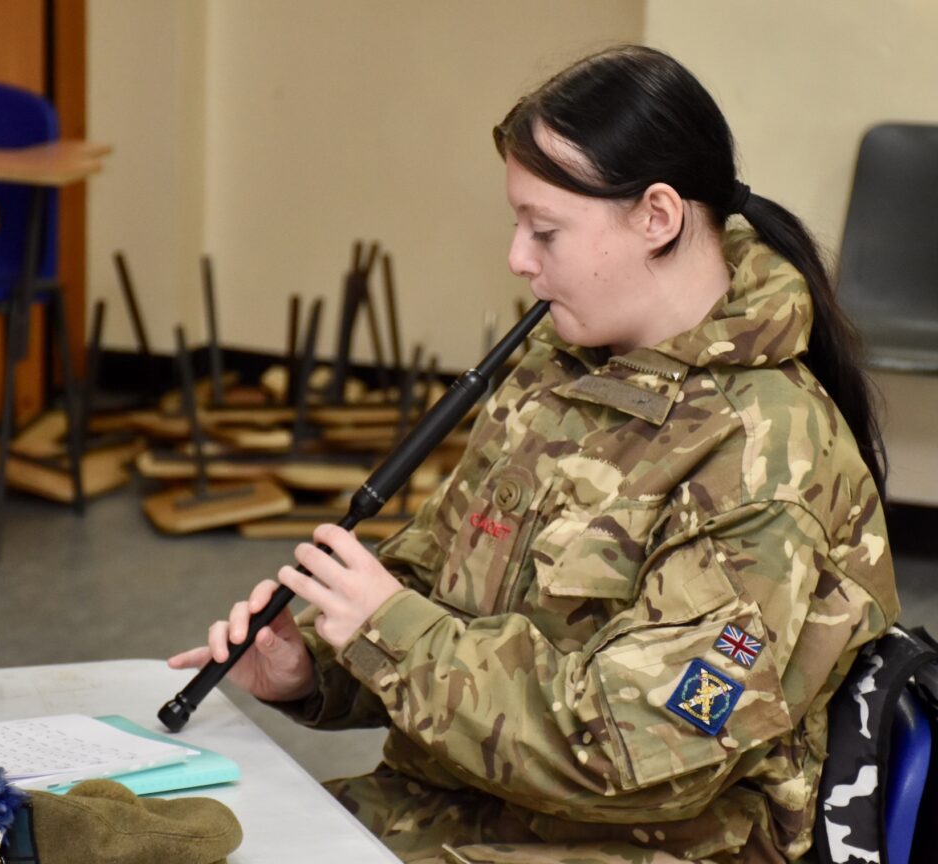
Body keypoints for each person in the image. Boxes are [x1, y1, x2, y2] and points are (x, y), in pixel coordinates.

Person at [169, 44, 898, 863]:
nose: (518, 259)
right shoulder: (562, 374)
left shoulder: (766, 455)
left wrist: (390, 631)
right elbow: (437, 585)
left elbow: (636, 754)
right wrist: (318, 668)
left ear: (657, 217)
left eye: (544, 229)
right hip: (456, 812)